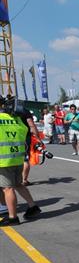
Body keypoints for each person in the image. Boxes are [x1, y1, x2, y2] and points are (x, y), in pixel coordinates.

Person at [0, 95, 41, 226]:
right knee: (18, 184)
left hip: (3, 160)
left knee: (8, 188)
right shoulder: (17, 119)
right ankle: (32, 206)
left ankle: (13, 217)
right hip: (17, 158)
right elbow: (26, 131)